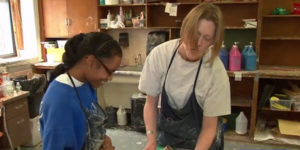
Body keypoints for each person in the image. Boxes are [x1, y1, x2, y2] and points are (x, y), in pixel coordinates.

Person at [139, 3, 230, 150]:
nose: (198, 43)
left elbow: (209, 128)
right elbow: (150, 104)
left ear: (213, 42)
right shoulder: (161, 55)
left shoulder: (216, 72)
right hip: (169, 138)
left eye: (206, 38)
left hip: (203, 141)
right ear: (185, 28)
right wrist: (151, 139)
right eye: (195, 33)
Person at [39, 32, 122, 150]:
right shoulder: (59, 101)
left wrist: (103, 140)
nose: (110, 78)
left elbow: (89, 128)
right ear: (90, 60)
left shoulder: (86, 86)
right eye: (109, 71)